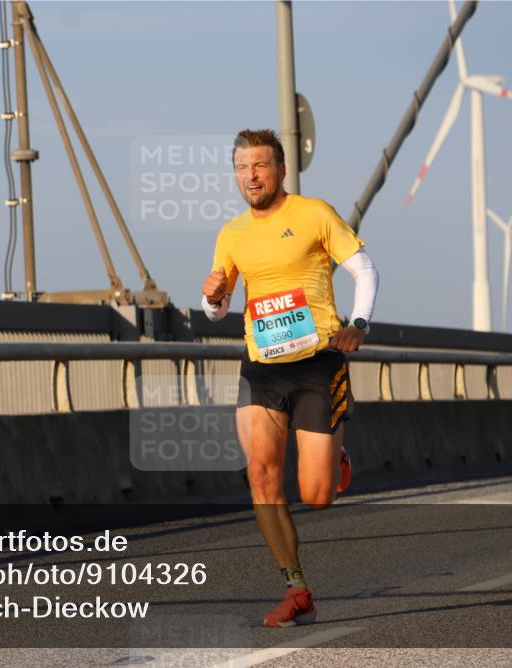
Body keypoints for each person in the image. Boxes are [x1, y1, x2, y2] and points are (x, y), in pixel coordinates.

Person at [202, 129, 379, 628]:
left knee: (317, 496)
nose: (250, 175)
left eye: (259, 165)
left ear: (280, 170)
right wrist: (214, 296)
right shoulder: (232, 233)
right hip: (261, 370)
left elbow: (365, 271)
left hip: (317, 365)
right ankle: (295, 587)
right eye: (241, 167)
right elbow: (216, 310)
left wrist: (359, 325)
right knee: (260, 476)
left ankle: (336, 451)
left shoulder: (313, 214)